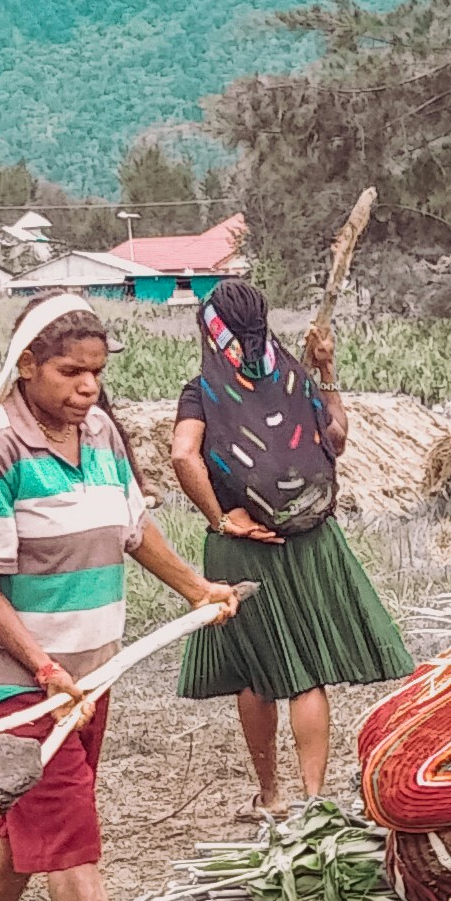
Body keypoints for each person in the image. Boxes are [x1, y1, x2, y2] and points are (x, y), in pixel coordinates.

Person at [0, 294, 245, 901]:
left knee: (31, 827)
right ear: (27, 364)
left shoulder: (100, 433)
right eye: (70, 372)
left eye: (97, 374)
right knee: (69, 837)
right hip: (15, 686)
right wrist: (37, 664)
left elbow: (134, 530)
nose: (87, 388)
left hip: (92, 673)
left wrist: (196, 589)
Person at [172, 280, 412, 813]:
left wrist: (222, 519)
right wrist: (326, 372)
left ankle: (270, 794)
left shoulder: (203, 390)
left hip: (245, 545)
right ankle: (314, 799)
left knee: (255, 674)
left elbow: (184, 456)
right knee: (307, 673)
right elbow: (339, 438)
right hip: (310, 540)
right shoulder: (296, 378)